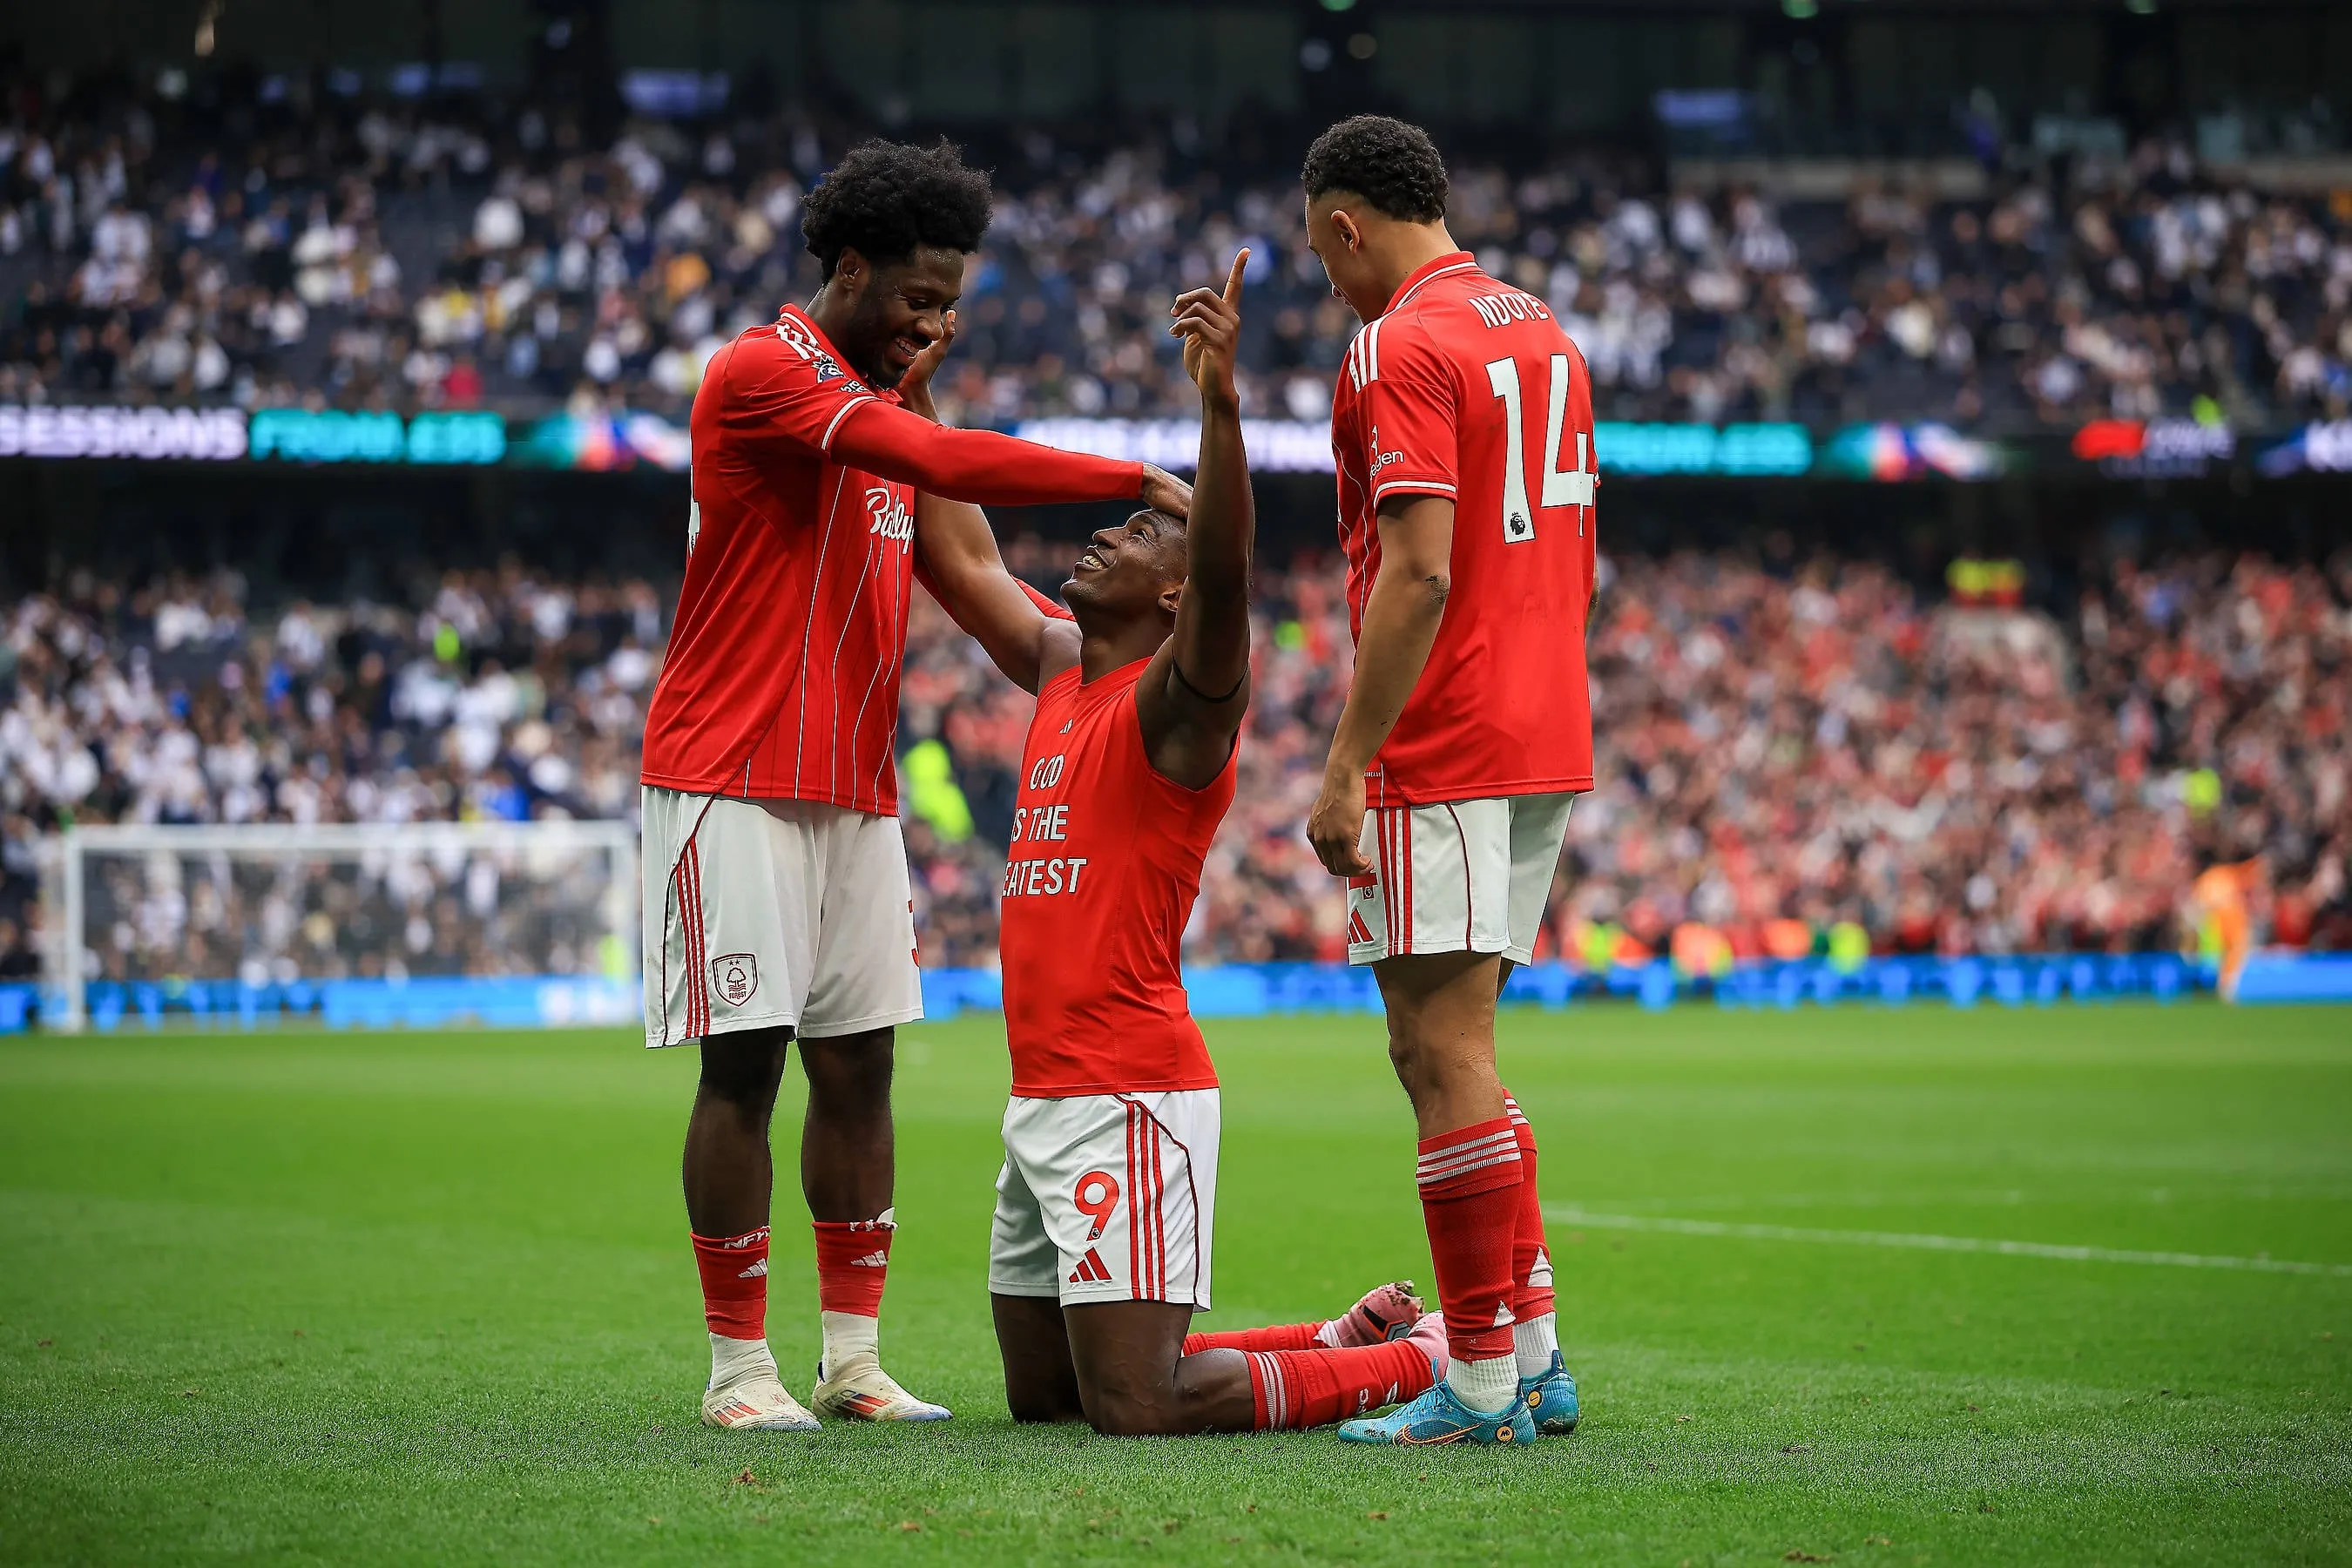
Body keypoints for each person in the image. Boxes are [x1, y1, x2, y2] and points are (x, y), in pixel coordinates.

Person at [641, 137, 1193, 1434]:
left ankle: (850, 1362)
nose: (936, 323)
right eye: (918, 298)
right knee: (744, 1072)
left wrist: (1156, 665)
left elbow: (1005, 613)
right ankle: (738, 1373)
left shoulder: (895, 421)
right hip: (732, 774)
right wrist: (1133, 475)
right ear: (850, 268)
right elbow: (936, 465)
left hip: (853, 788)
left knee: (860, 1072)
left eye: (953, 304)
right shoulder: (766, 371)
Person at [911, 251, 1446, 1436]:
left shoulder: (1182, 704)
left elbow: (1225, 564)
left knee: (1137, 1409)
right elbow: (959, 557)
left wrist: (1220, 406)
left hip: (1129, 1090)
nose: (1106, 537)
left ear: (1172, 594)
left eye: (1141, 536)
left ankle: (1418, 1367)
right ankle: (1332, 1337)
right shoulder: (1061, 671)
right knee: (1047, 1398)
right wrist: (910, 403)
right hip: (1041, 1095)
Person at [1296, 115, 1597, 1447]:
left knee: (1437, 1050)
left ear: (1347, 226)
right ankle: (1532, 1356)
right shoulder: (1543, 329)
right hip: (1542, 723)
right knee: (1465, 1047)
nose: (1329, 285)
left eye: (1324, 258)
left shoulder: (1396, 342)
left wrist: (1350, 760)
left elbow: (1417, 569)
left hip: (1448, 727)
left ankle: (1475, 1383)